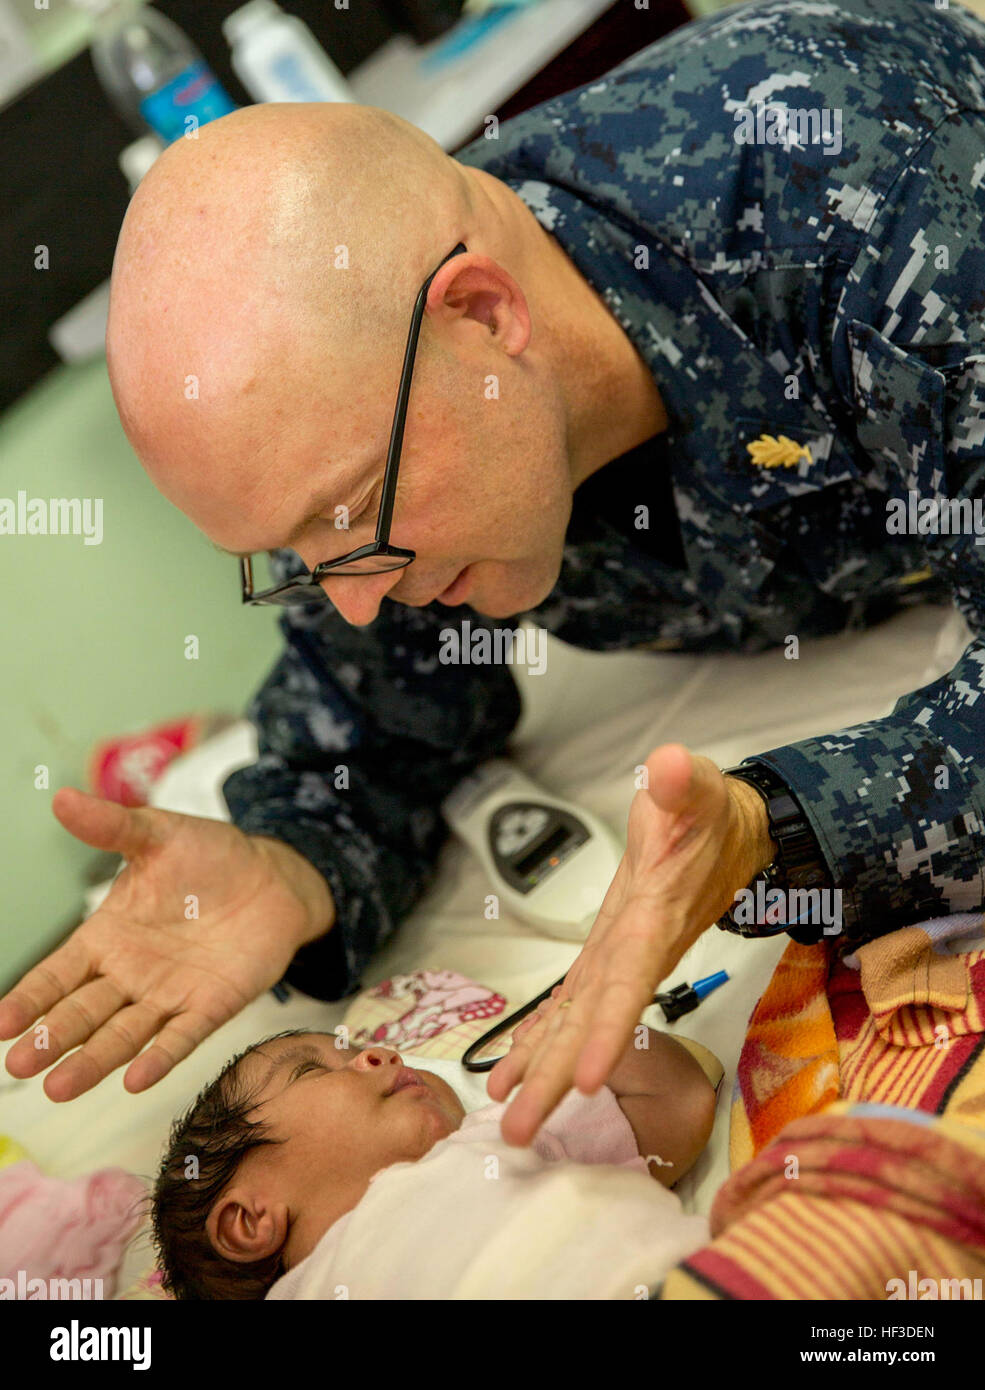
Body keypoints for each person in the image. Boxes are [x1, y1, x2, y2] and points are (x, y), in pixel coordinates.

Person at [3, 0, 985, 1152]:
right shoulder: (380, 414)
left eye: (351, 517)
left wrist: (779, 822)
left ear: (484, 313)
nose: (356, 596)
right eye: (296, 558)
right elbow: (373, 727)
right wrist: (295, 859)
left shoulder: (879, 210)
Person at [151, 1018, 715, 1299]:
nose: (380, 1053)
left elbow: (679, 1107)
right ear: (249, 1221)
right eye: (311, 1070)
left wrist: (593, 1032)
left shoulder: (497, 1136)